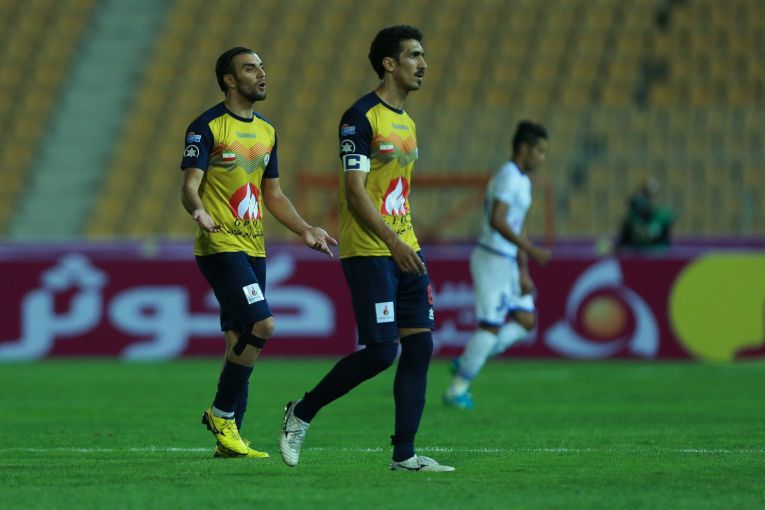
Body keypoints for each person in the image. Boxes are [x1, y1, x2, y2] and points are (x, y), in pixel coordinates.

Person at [278, 25, 454, 472]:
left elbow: (395, 191)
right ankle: (302, 411)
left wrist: (404, 240)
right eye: (413, 55)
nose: (423, 64)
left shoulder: (407, 123)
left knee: (420, 347)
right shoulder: (359, 117)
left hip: (405, 247)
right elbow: (356, 192)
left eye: (423, 55)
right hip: (372, 250)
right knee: (381, 351)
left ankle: (405, 455)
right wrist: (393, 242)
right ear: (389, 64)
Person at [180, 47, 337, 458]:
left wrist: (305, 228)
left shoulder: (267, 130)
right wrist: (198, 210)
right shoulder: (207, 127)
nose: (261, 74)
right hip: (220, 244)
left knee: (239, 339)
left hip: (254, 247)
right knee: (263, 325)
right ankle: (220, 413)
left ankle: (230, 440)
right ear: (230, 80)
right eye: (250, 68)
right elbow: (190, 185)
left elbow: (274, 194)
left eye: (262, 67)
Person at [443, 121, 551, 410]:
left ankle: (469, 359)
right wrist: (532, 250)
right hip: (492, 257)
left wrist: (524, 268)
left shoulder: (522, 181)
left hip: (509, 260)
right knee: (490, 328)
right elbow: (497, 219)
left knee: (526, 320)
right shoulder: (508, 177)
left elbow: (518, 224)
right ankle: (457, 389)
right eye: (539, 151)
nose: (542, 157)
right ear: (524, 148)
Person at [615, 177, 674, 252]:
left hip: (659, 255)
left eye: (649, 196)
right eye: (644, 194)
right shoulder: (633, 216)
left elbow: (649, 234)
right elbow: (623, 243)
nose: (646, 199)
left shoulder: (663, 215)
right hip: (636, 255)